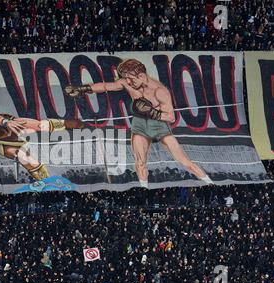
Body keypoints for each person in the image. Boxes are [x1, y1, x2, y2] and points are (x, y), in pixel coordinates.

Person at [64, 58, 213, 188]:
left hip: (159, 125)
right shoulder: (129, 82)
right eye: (126, 79)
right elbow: (105, 86)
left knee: (184, 161)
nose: (128, 82)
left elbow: (171, 117)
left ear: (141, 75)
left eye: (131, 79)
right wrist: (83, 89)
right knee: (140, 163)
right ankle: (143, 191)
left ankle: (209, 184)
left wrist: (151, 111)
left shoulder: (159, 91)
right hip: (140, 124)